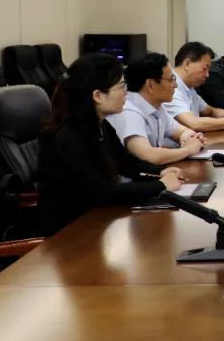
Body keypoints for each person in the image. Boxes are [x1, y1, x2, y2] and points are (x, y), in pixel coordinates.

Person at [37, 53, 184, 235]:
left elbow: (126, 163)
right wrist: (160, 185)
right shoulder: (70, 138)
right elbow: (101, 192)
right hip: (69, 233)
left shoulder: (99, 124)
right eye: (121, 86)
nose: (126, 92)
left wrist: (160, 172)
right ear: (98, 95)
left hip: (99, 222)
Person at [107, 52, 206, 165]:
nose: (176, 85)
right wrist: (188, 150)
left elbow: (182, 131)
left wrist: (192, 138)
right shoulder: (129, 112)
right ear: (150, 85)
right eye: (171, 79)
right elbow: (148, 156)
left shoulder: (157, 107)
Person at [164, 41, 224, 134]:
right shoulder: (171, 88)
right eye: (204, 69)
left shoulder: (189, 87)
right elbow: (194, 124)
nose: (207, 75)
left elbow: (210, 111)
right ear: (187, 64)